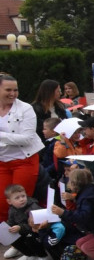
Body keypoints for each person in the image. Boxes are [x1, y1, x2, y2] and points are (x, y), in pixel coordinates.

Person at [0, 74, 45, 222]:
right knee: (2, 202)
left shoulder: (26, 109)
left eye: (15, 90)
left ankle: (23, 238)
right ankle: (5, 237)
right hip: (2, 162)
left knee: (20, 202)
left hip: (24, 160)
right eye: (8, 90)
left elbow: (27, 139)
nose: (12, 94)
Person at [4, 184, 48, 260]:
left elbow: (36, 224)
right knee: (9, 236)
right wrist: (8, 228)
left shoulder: (33, 206)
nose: (21, 199)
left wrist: (20, 227)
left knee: (29, 237)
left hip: (37, 232)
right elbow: (11, 222)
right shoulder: (12, 209)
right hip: (23, 231)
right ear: (9, 201)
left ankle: (43, 257)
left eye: (23, 196)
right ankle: (30, 255)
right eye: (17, 198)